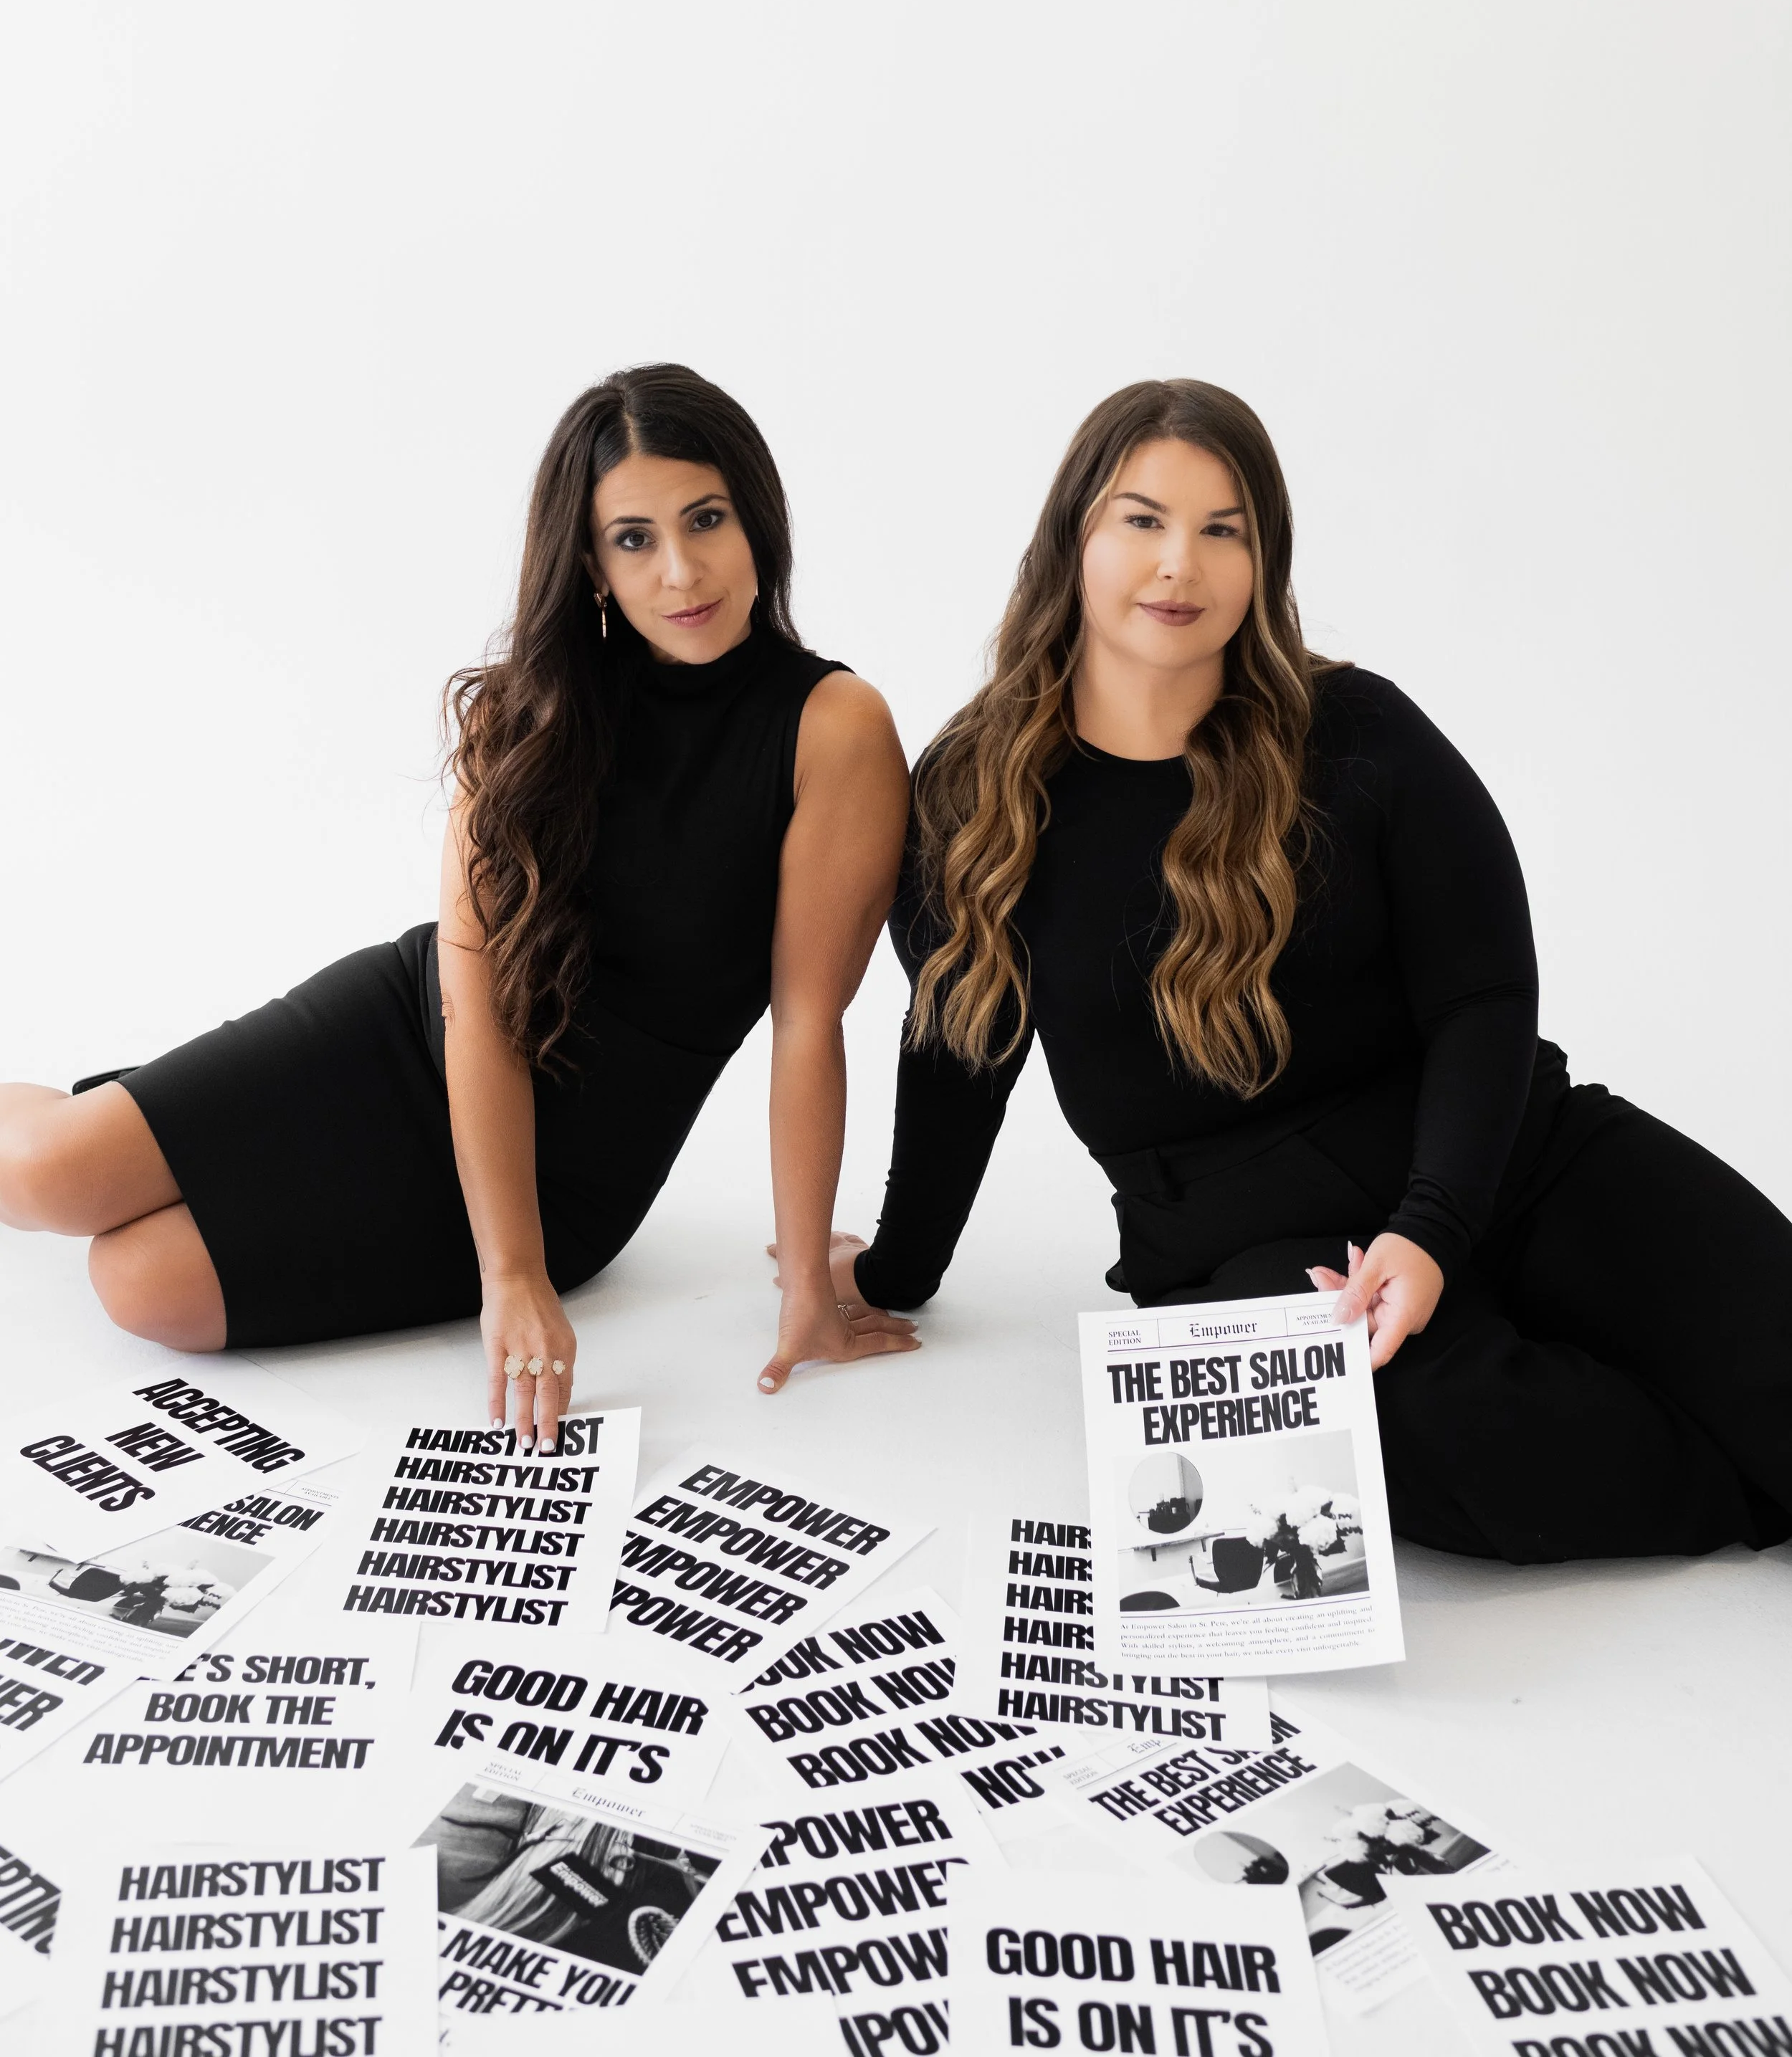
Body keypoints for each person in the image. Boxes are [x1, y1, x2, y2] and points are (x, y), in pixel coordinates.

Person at [821, 378, 1792, 1564]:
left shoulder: (1358, 733)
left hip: (1508, 1160)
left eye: (1223, 530)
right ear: (1072, 537)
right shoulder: (976, 794)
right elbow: (960, 1053)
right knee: (1421, 1438)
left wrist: (1434, 1230)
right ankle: (1742, 1491)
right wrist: (896, 1271)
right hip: (1250, 1259)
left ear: (1263, 556)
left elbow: (1483, 995)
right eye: (1142, 520)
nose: (1181, 563)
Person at [0, 365, 919, 1441]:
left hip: (575, 1176)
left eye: (706, 519)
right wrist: (508, 1274)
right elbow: (477, 999)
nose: (681, 569)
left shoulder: (835, 727)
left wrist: (807, 1283)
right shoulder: (527, 711)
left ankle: (144, 1122)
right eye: (634, 538)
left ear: (757, 517)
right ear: (589, 561)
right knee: (43, 1175)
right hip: (414, 1030)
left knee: (139, 1286)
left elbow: (810, 1022)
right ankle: (89, 1116)